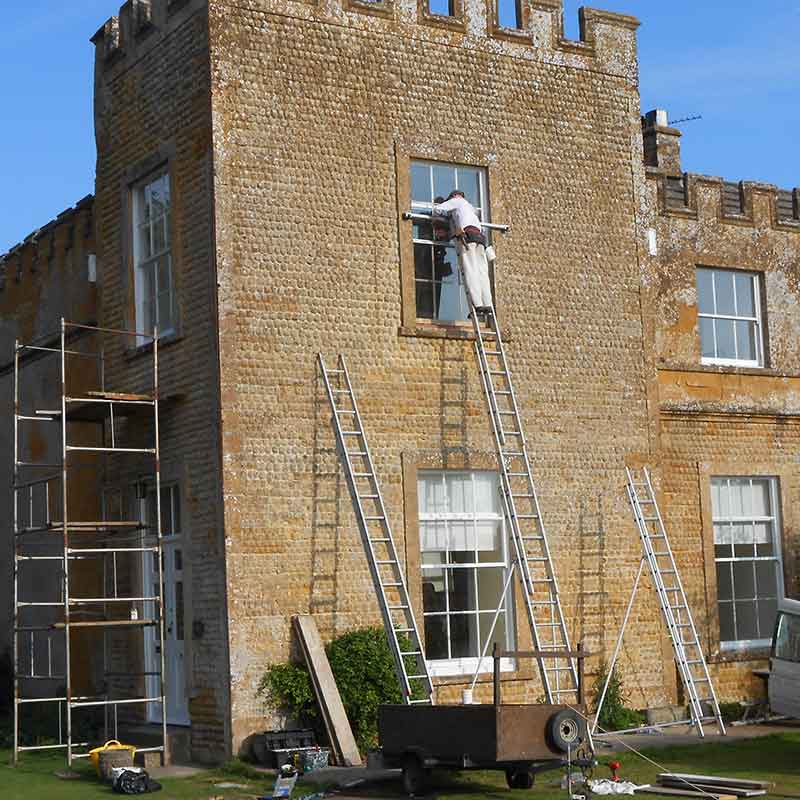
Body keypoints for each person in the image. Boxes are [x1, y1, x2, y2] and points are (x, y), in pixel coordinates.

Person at [432, 190, 494, 320]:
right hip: (481, 239)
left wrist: (446, 217)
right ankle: (488, 304)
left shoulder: (456, 201)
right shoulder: (471, 208)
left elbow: (437, 210)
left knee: (470, 270)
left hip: (468, 237)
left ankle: (477, 305)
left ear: (454, 196)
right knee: (482, 272)